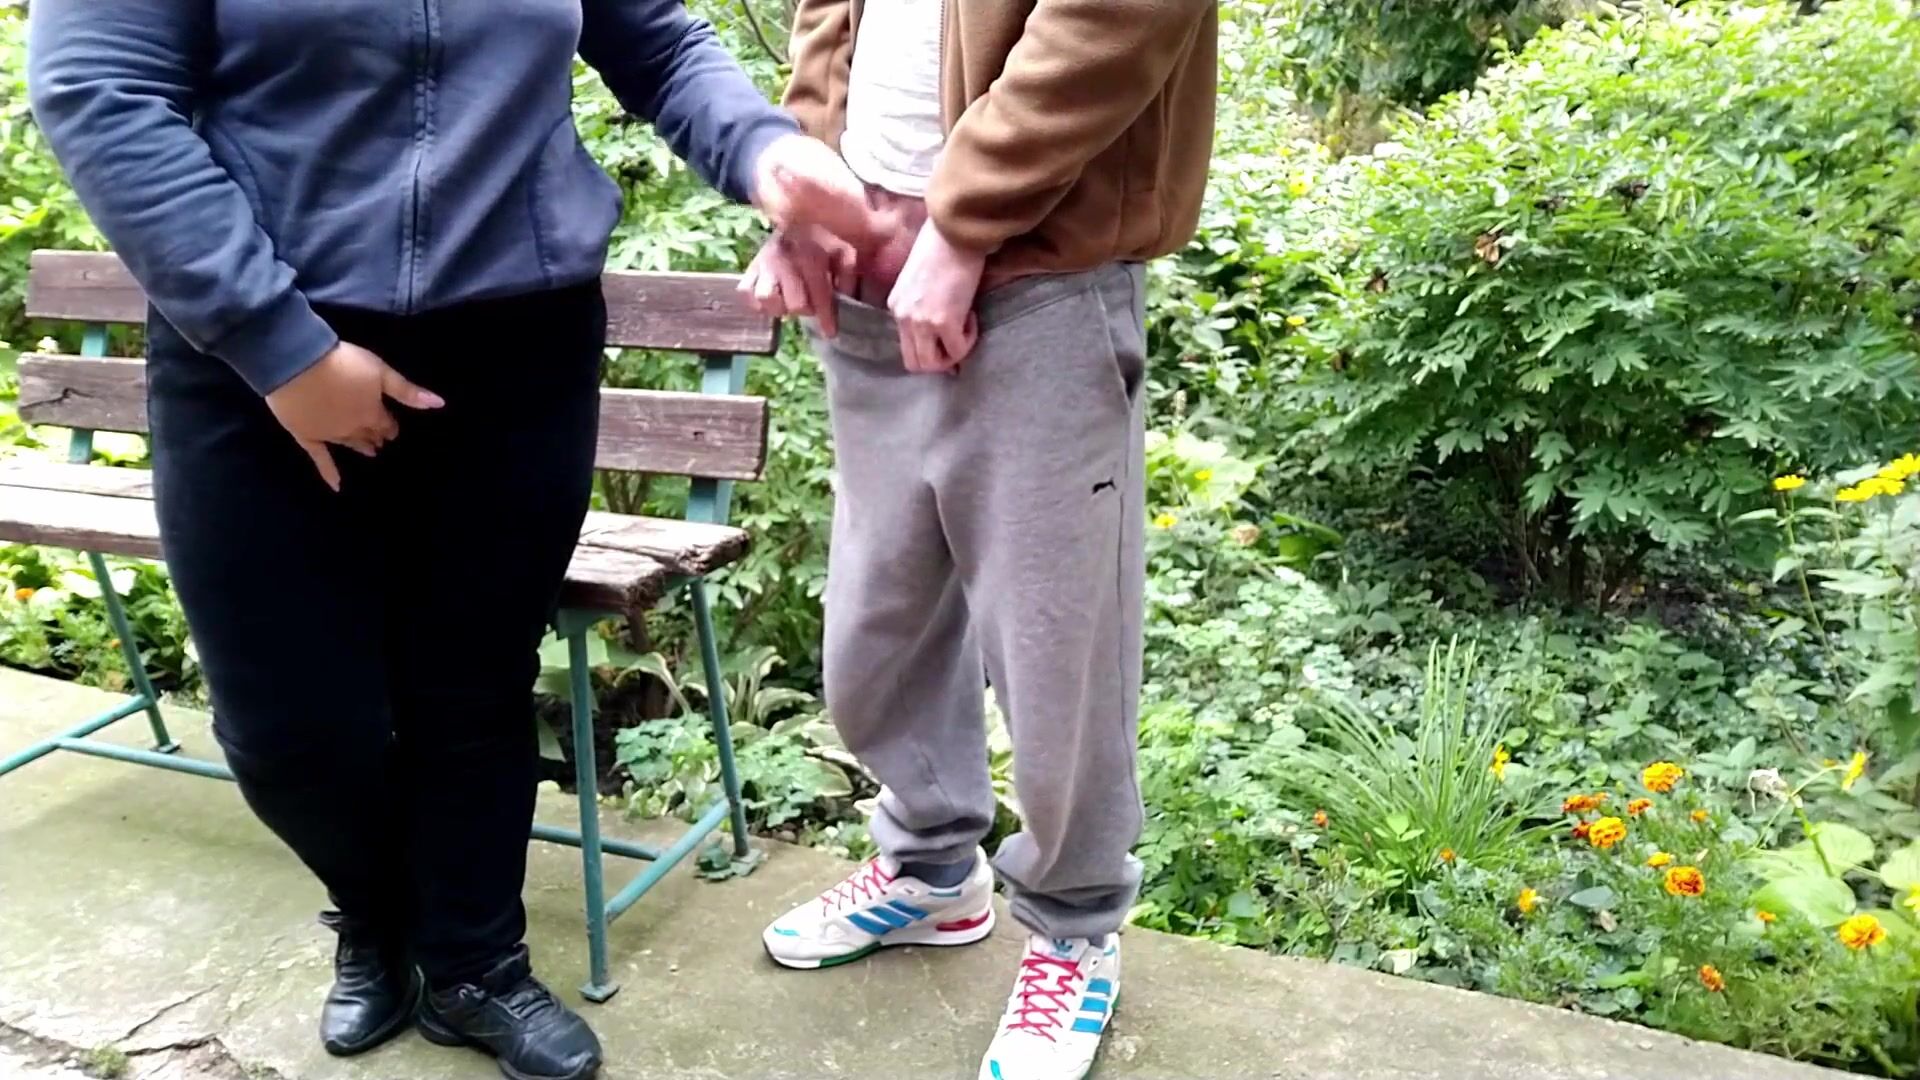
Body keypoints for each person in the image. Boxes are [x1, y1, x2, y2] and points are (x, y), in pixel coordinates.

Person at [26, 4, 871, 1079]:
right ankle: (375, 915)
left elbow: (657, 42)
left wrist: (762, 149)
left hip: (517, 348)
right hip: (256, 352)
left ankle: (475, 964)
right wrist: (281, 348)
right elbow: (101, 92)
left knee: (473, 691)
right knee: (289, 727)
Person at [740, 1, 1218, 1077]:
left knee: (1057, 651)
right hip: (870, 283)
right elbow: (829, 16)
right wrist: (805, 192)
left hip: (1037, 280)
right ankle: (931, 873)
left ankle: (1075, 930)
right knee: (873, 632)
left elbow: (1114, 19)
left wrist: (962, 226)